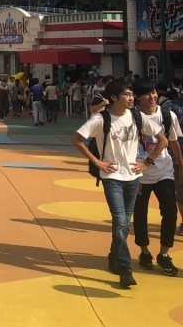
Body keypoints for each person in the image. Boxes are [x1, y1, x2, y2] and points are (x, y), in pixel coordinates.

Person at [71, 78, 167, 289]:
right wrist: (96, 161)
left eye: (132, 94)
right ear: (114, 97)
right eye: (127, 95)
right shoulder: (101, 119)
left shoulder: (137, 117)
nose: (132, 98)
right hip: (112, 177)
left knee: (123, 224)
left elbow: (163, 140)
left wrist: (147, 163)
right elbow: (77, 139)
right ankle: (125, 269)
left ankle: (114, 257)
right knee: (120, 221)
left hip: (133, 178)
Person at [132, 81, 183, 276]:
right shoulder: (131, 117)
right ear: (137, 97)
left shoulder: (167, 116)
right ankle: (144, 252)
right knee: (140, 214)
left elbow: (173, 142)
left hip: (164, 171)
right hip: (138, 173)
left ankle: (164, 253)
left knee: (170, 211)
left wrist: (181, 166)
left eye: (153, 92)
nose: (152, 97)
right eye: (146, 94)